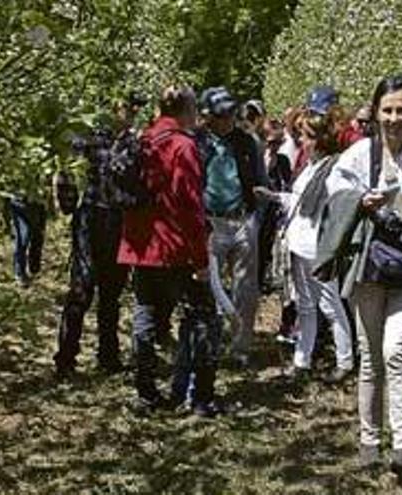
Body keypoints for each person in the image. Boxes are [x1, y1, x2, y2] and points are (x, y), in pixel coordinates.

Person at [325, 75, 402, 477]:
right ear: (376, 112)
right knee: (370, 356)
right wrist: (360, 200)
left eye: (401, 111)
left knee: (397, 351)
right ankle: (370, 441)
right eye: (387, 110)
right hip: (368, 267)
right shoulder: (359, 154)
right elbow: (332, 195)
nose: (394, 118)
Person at [117, 85, 222, 417]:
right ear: (185, 109)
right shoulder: (182, 146)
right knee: (202, 316)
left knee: (145, 317)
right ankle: (201, 397)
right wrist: (201, 259)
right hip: (176, 248)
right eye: (194, 109)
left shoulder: (141, 142)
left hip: (141, 245)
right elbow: (190, 206)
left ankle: (145, 392)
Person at [53, 93, 146, 377]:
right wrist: (69, 205)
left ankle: (108, 355)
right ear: (114, 108)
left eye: (134, 110)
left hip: (119, 221)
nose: (131, 114)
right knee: (81, 289)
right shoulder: (91, 136)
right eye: (127, 108)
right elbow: (68, 171)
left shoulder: (134, 144)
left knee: (112, 293)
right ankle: (66, 358)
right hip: (91, 218)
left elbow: (142, 181)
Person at [265, 107, 354, 384]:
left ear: (318, 138)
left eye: (305, 136)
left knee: (330, 305)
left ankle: (345, 360)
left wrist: (333, 246)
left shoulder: (335, 168)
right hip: (299, 243)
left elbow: (340, 207)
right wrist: (276, 197)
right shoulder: (310, 166)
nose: (301, 141)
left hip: (318, 248)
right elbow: (301, 202)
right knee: (305, 305)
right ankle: (301, 361)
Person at [199, 86, 268, 368]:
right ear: (208, 116)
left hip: (242, 220)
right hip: (210, 222)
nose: (228, 119)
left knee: (245, 289)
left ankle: (240, 348)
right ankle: (210, 345)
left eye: (230, 112)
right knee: (209, 288)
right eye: (221, 114)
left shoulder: (247, 142)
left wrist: (256, 218)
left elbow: (261, 181)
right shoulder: (197, 143)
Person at [258, 118, 293, 292]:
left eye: (279, 142)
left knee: (267, 245)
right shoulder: (256, 158)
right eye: (272, 142)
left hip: (274, 209)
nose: (275, 146)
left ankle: (264, 277)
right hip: (256, 210)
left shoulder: (283, 161)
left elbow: (288, 185)